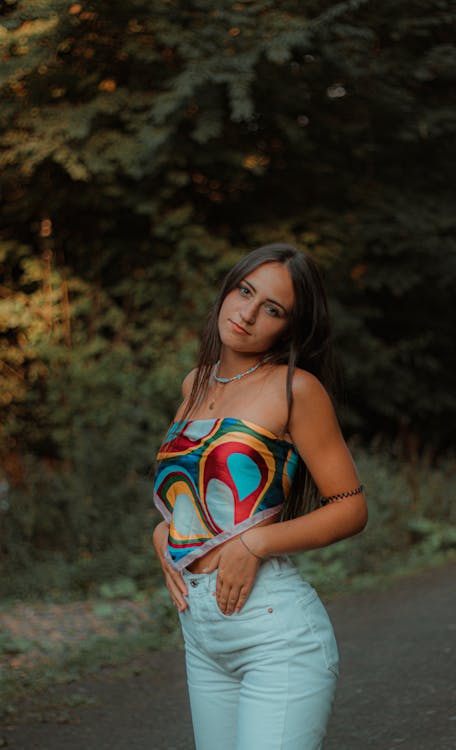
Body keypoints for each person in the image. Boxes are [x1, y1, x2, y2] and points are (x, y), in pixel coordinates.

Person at [152, 243, 367, 750]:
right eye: (244, 291)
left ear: (290, 328)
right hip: (202, 637)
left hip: (275, 633)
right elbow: (198, 491)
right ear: (228, 289)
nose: (247, 313)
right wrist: (164, 531)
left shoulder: (296, 388)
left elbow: (351, 507)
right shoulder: (195, 382)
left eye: (272, 308)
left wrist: (255, 545)